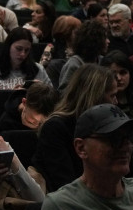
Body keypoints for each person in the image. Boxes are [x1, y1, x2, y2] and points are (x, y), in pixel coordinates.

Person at [30, 63, 116, 192]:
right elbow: (65, 184)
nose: (116, 102)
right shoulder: (55, 128)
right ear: (96, 98)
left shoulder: (105, 125)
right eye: (112, 96)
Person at [0, 27, 51, 92]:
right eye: (19, 49)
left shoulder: (38, 69)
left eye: (27, 50)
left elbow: (51, 95)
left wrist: (40, 90)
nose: (23, 54)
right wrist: (12, 94)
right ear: (8, 47)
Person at [102, 49, 133, 118]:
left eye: (123, 73)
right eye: (113, 74)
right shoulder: (100, 104)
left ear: (130, 74)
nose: (119, 78)